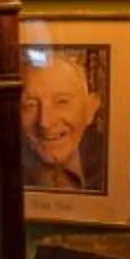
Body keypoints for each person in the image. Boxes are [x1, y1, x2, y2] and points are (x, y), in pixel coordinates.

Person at [18, 53, 106, 194]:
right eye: (30, 105)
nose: (45, 122)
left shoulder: (113, 160)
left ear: (90, 109)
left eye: (62, 102)